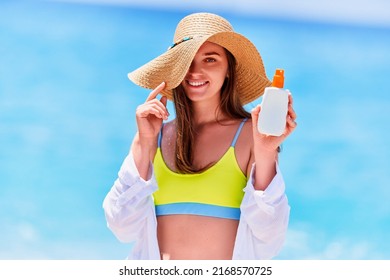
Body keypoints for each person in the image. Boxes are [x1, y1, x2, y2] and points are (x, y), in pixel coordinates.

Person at [103, 12, 297, 260]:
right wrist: (147, 141)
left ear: (229, 69)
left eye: (210, 59)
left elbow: (270, 235)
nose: (195, 72)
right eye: (187, 61)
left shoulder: (250, 135)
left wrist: (267, 151)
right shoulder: (156, 136)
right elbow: (121, 227)